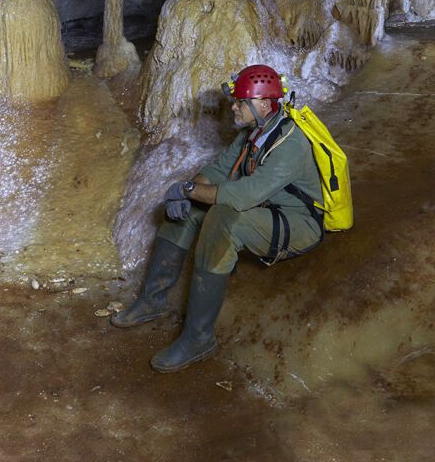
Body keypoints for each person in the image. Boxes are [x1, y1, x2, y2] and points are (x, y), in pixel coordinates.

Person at [110, 63, 324, 372]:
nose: (234, 107)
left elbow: (241, 196)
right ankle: (152, 299)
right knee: (185, 210)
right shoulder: (255, 133)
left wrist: (186, 189)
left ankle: (199, 338)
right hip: (264, 209)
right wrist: (188, 192)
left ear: (264, 104)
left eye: (241, 102)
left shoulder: (289, 144)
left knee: (222, 219)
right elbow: (218, 171)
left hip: (298, 223)